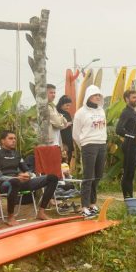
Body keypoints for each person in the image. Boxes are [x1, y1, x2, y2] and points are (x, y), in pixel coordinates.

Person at [0, 130, 58, 225]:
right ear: (2, 141)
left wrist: (28, 174)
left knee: (52, 178)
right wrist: (14, 178)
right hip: (4, 184)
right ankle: (10, 217)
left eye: (15, 138)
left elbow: (27, 169)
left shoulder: (16, 154)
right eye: (10, 138)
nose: (14, 141)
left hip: (21, 182)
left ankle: (41, 212)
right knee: (15, 182)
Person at [72, 85, 107, 217]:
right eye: (95, 95)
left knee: (97, 175)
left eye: (99, 95)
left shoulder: (102, 111)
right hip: (88, 145)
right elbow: (75, 133)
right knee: (88, 176)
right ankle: (84, 205)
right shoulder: (80, 112)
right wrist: (84, 146)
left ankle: (92, 203)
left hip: (101, 144)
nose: (98, 97)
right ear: (88, 96)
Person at [116, 90, 136, 199]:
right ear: (127, 99)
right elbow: (119, 130)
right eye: (134, 97)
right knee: (128, 173)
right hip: (129, 145)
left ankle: (130, 197)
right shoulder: (125, 112)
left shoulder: (135, 113)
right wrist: (135, 137)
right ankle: (127, 198)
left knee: (132, 173)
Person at [56, 95, 74, 167]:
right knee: (61, 158)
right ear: (61, 104)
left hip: (68, 138)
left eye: (69, 106)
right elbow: (57, 125)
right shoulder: (56, 112)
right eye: (67, 105)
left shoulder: (67, 113)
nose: (68, 107)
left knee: (68, 158)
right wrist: (67, 124)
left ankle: (67, 173)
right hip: (60, 139)